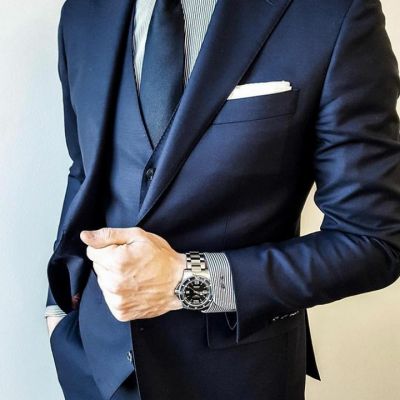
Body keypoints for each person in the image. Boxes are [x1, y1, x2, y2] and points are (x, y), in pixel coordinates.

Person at [45, 0, 400, 399]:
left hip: (238, 375)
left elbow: (371, 241)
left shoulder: (333, 12)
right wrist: (57, 310)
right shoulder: (83, 12)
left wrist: (187, 280)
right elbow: (84, 172)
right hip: (94, 368)